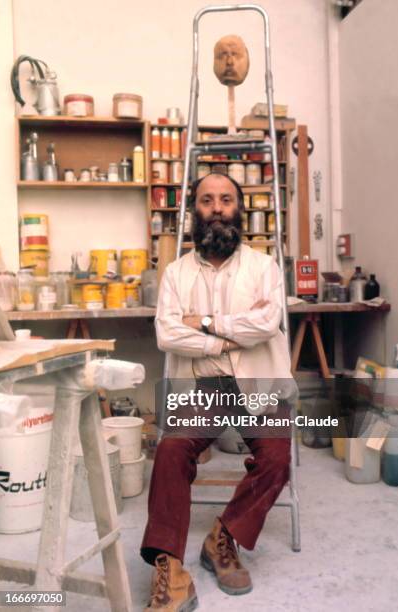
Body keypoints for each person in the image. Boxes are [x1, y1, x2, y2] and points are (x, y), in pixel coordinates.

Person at [141, 173, 294, 611]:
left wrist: (206, 324)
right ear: (196, 210)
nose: (217, 207)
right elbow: (167, 334)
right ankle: (169, 569)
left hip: (258, 381)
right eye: (207, 200)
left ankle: (222, 538)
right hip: (203, 386)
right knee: (171, 450)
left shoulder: (263, 267)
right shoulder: (175, 272)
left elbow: (267, 322)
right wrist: (225, 340)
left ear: (238, 208)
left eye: (226, 199)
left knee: (277, 457)